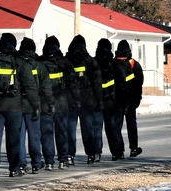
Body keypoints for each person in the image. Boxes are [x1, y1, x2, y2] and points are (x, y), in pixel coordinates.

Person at [0, 32, 38, 177]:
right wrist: (35, 105)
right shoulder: (19, 62)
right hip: (14, 106)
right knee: (13, 139)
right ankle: (14, 168)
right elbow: (29, 86)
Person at [40, 36, 76, 169]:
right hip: (61, 102)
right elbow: (72, 83)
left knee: (46, 133)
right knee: (62, 131)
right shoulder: (64, 62)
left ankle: (49, 161)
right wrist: (75, 100)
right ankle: (63, 159)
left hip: (44, 103)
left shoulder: (40, 62)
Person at [66, 35, 103, 164]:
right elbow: (97, 83)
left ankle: (70, 155)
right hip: (87, 99)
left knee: (70, 128)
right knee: (88, 128)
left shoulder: (67, 60)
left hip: (70, 100)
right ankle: (91, 154)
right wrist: (99, 100)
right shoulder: (90, 61)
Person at [17, 37, 51, 172]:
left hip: (17, 103)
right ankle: (36, 162)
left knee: (19, 136)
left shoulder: (16, 63)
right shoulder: (39, 65)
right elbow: (45, 86)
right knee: (34, 135)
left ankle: (21, 163)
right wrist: (50, 102)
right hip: (34, 103)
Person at [96, 38, 128, 160]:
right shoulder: (115, 64)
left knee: (96, 128)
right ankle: (117, 151)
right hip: (114, 100)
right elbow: (122, 84)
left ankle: (96, 152)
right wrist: (124, 102)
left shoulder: (94, 63)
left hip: (97, 100)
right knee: (113, 128)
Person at [115, 40, 144, 157]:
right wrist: (137, 100)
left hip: (117, 99)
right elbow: (139, 83)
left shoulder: (114, 63)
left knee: (117, 126)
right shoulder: (134, 64)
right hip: (131, 100)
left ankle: (119, 151)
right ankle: (133, 148)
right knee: (131, 125)